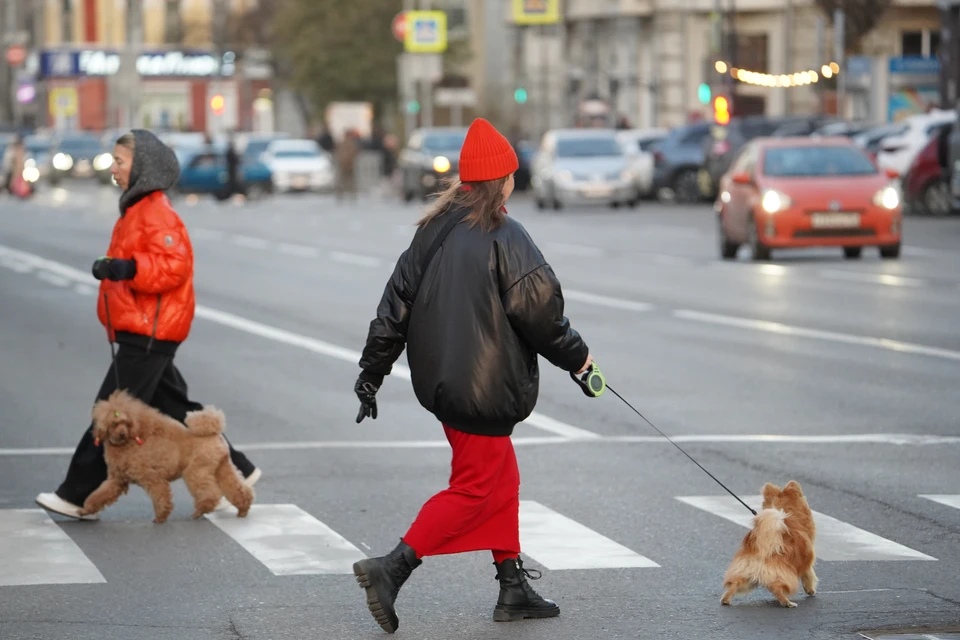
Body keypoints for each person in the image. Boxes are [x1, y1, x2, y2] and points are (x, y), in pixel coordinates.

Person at [351, 118, 592, 634]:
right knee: (475, 489)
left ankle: (512, 585)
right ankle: (392, 568)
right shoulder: (507, 234)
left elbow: (393, 309)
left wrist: (371, 374)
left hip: (445, 386)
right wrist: (581, 362)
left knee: (502, 479)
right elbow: (542, 315)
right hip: (483, 391)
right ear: (502, 180)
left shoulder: (433, 230)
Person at [35, 130, 261, 520]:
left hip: (150, 329)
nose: (114, 168)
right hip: (143, 327)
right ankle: (237, 467)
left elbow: (175, 265)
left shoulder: (156, 211)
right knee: (174, 405)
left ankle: (76, 494)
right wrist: (112, 267)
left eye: (120, 161)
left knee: (109, 410)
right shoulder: (137, 208)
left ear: (143, 166)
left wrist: (127, 268)